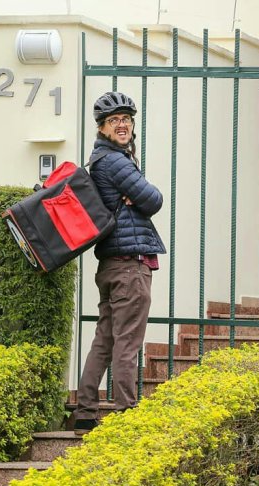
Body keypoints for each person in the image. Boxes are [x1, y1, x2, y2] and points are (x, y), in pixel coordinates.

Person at [73, 91, 166, 435]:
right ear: (102, 128)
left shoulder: (101, 159)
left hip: (112, 265)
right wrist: (139, 195)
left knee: (105, 340)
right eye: (114, 120)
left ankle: (85, 412)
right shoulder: (116, 162)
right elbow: (154, 200)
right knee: (127, 342)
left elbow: (142, 199)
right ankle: (127, 414)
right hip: (129, 266)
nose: (122, 124)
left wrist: (136, 197)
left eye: (126, 119)